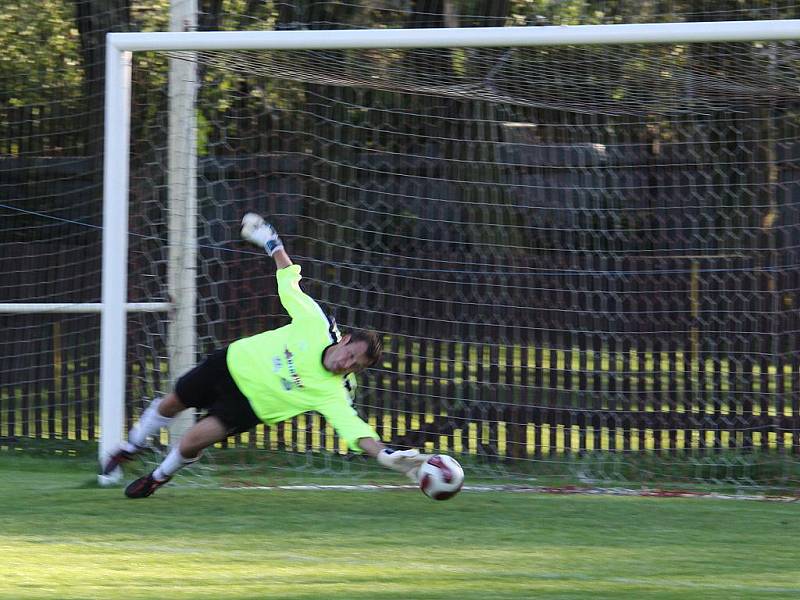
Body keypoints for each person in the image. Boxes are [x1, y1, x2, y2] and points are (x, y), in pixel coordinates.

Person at [101, 213, 428, 497]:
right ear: (343, 341)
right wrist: (271, 241)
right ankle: (131, 446)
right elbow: (289, 282)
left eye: (357, 366)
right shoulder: (315, 323)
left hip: (247, 407)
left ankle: (156, 479)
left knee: (190, 442)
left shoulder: (335, 393)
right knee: (171, 404)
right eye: (351, 354)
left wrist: (384, 455)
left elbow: (355, 431)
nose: (348, 364)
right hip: (229, 365)